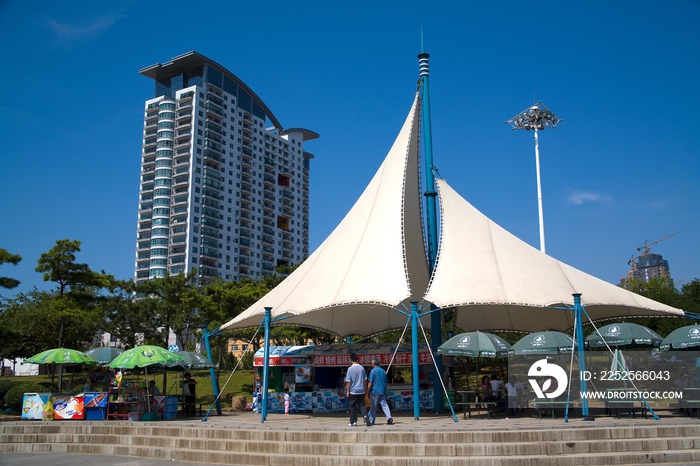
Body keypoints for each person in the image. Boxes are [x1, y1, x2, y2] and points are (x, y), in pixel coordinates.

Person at [345, 353, 370, 427]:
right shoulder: (361, 368)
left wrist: (347, 391)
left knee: (352, 406)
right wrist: (365, 389)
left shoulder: (350, 369)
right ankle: (365, 415)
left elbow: (349, 381)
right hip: (361, 390)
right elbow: (365, 380)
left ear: (351, 360)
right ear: (357, 359)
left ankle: (353, 421)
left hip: (353, 391)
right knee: (362, 405)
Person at [367, 359, 393, 426]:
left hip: (375, 391)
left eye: (372, 363)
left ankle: (371, 420)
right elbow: (386, 381)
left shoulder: (373, 371)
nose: (371, 364)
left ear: (374, 364)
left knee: (373, 406)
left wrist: (367, 390)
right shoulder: (383, 371)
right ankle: (389, 417)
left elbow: (370, 382)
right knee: (384, 405)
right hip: (382, 390)